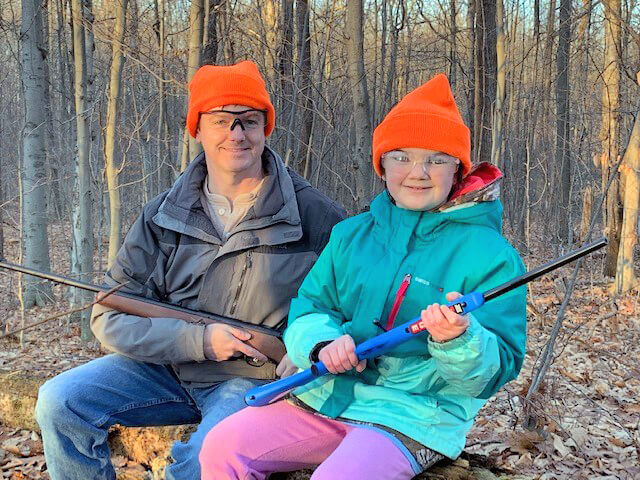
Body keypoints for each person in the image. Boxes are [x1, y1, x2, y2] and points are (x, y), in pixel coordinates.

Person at [199, 73, 527, 480]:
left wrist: (458, 340)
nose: (418, 172)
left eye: (436, 159)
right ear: (382, 163)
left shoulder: (492, 256)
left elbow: (494, 372)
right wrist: (322, 345)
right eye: (402, 156)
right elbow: (311, 307)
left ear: (457, 169)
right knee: (223, 447)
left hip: (415, 414)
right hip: (326, 397)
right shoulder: (350, 234)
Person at [34, 60, 345, 480]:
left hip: (250, 378)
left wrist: (306, 347)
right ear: (197, 129)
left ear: (265, 129)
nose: (236, 133)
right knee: (59, 401)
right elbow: (109, 314)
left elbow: (345, 306)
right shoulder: (162, 213)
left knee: (203, 458)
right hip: (164, 368)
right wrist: (199, 340)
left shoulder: (316, 215)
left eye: (249, 121)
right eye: (221, 121)